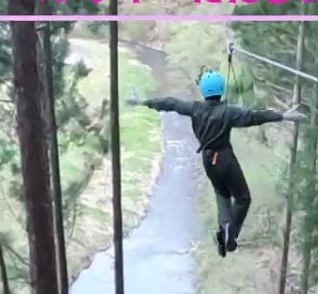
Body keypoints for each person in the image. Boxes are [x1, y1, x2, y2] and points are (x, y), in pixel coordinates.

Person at [126, 70, 305, 257]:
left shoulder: (194, 108)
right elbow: (254, 117)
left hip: (208, 160)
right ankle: (230, 234)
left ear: (203, 91)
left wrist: (143, 102)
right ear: (221, 91)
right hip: (225, 158)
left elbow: (170, 103)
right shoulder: (228, 112)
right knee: (243, 198)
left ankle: (223, 234)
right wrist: (284, 116)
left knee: (222, 193)